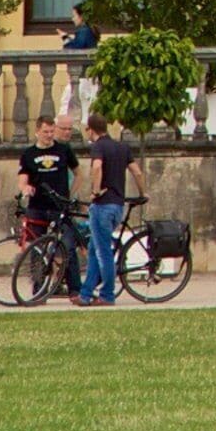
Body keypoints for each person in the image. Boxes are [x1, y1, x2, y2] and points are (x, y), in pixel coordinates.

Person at [16, 112, 80, 297]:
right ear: (37, 131)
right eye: (46, 132)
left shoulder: (63, 150)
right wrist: (25, 188)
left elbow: (78, 173)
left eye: (52, 131)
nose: (49, 135)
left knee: (67, 246)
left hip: (59, 207)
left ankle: (75, 289)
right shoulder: (29, 154)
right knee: (37, 249)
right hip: (37, 207)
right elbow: (22, 178)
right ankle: (39, 290)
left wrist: (70, 195)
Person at [78, 114, 140, 306]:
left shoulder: (98, 147)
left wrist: (96, 191)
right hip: (117, 206)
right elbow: (137, 171)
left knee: (103, 252)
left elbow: (97, 168)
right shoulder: (122, 147)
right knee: (94, 248)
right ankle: (85, 294)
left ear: (91, 130)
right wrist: (143, 192)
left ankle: (107, 294)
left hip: (102, 205)